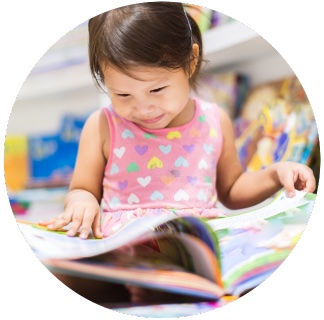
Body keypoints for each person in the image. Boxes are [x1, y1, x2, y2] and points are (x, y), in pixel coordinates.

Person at [39, 2, 316, 304]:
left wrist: (276, 174)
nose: (143, 108)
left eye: (156, 90)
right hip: (128, 248)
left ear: (192, 60)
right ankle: (141, 286)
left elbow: (233, 190)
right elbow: (82, 188)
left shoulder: (214, 120)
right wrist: (81, 202)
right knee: (58, 273)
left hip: (197, 248)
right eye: (122, 94)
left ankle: (165, 288)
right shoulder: (103, 126)